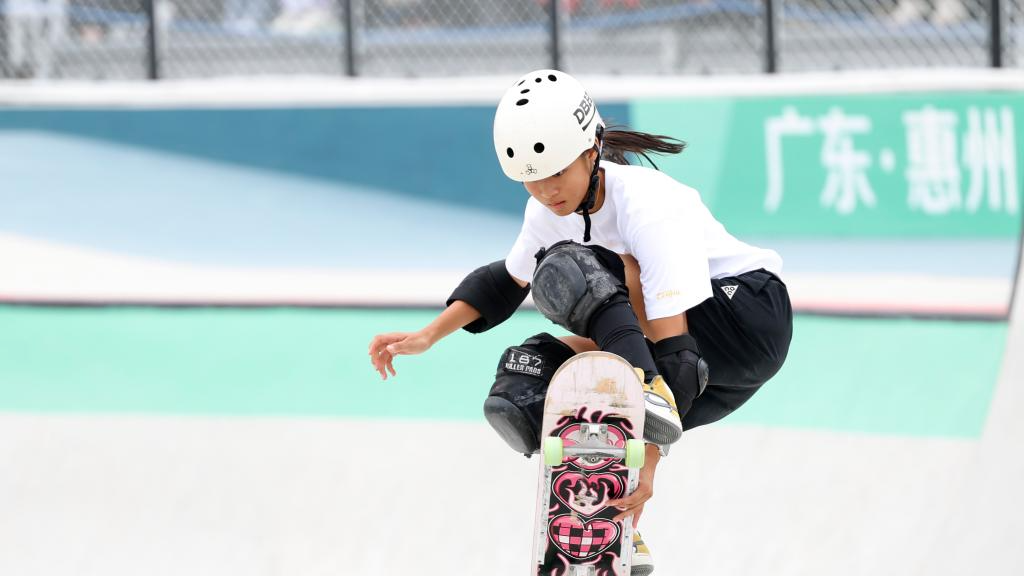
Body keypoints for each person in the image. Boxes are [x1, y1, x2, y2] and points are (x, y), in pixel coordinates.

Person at [368, 69, 793, 575]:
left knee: (579, 268)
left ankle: (643, 389)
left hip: (747, 315)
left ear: (592, 152)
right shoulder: (545, 212)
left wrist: (651, 459)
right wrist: (427, 335)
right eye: (530, 177)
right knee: (533, 375)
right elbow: (505, 282)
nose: (545, 192)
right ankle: (616, 526)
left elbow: (673, 342)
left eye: (554, 173)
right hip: (710, 370)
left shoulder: (648, 203)